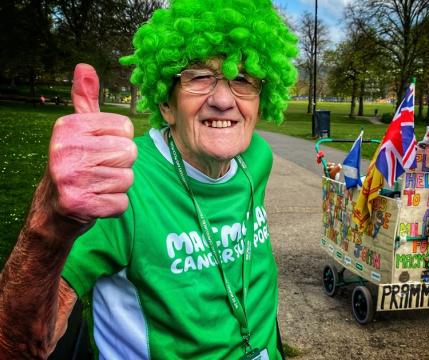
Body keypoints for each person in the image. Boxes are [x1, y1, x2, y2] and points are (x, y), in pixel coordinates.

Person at [0, 0, 298, 358]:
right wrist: (47, 226)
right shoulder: (118, 184)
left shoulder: (257, 157)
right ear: (166, 105)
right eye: (199, 76)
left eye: (242, 79)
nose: (222, 100)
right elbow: (17, 345)